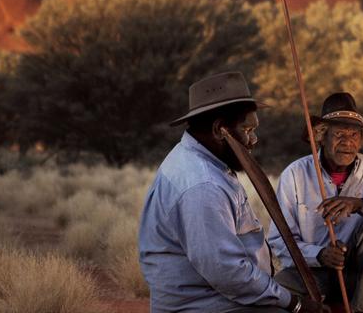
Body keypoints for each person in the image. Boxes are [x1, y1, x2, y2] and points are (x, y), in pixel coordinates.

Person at [138, 71, 325, 313]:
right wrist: (296, 304)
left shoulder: (202, 159)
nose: (254, 139)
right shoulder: (202, 186)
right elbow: (227, 273)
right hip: (203, 306)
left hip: (219, 297)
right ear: (219, 130)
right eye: (247, 129)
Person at [270, 92, 363, 313]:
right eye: (338, 134)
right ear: (321, 136)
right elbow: (280, 241)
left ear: (361, 140)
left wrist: (362, 205)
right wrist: (319, 255)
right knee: (275, 291)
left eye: (354, 135)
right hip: (311, 275)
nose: (347, 142)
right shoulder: (295, 174)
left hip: (360, 278)